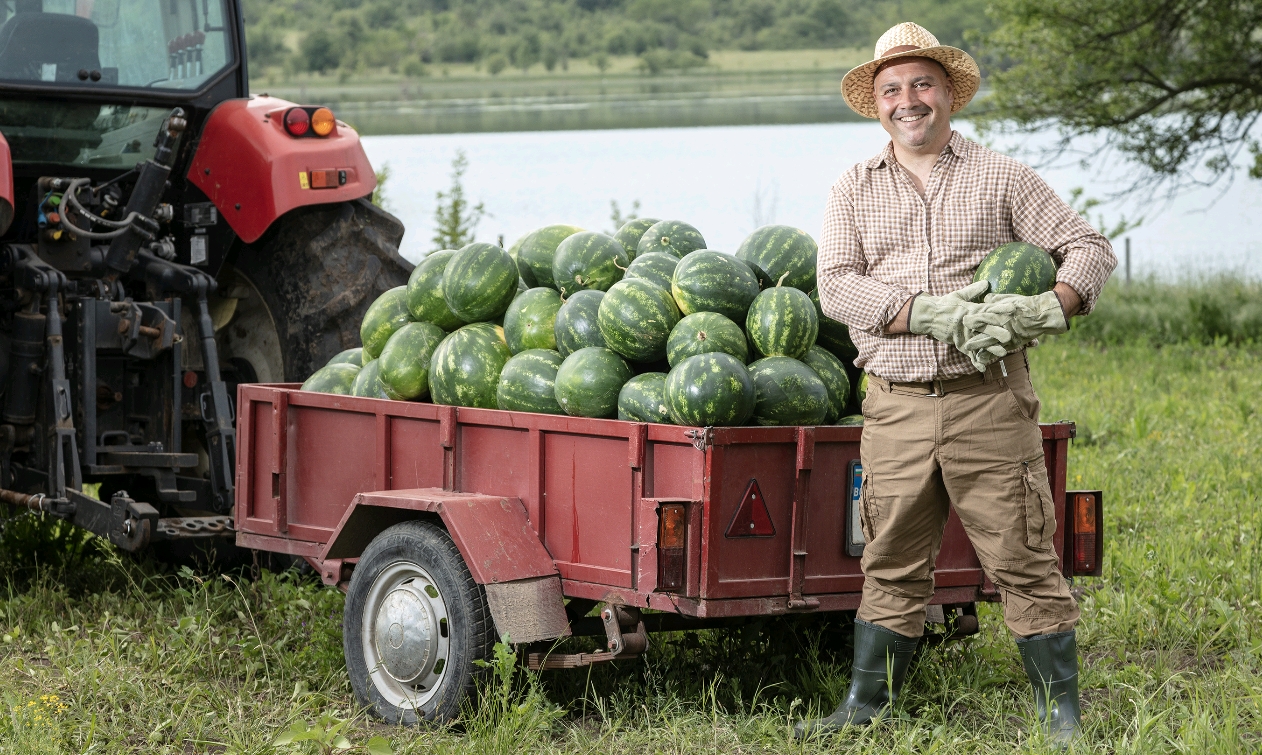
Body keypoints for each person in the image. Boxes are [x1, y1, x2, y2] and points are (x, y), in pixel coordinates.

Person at [799, 22, 1117, 743]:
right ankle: (867, 706)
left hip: (988, 400)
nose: (907, 100)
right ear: (877, 104)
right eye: (892, 89)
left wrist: (1052, 304)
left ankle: (1061, 714)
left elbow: (1089, 248)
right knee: (889, 561)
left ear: (948, 93)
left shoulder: (1002, 176)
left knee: (1024, 556)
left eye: (922, 84)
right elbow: (836, 285)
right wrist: (923, 312)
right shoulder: (853, 188)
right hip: (896, 405)